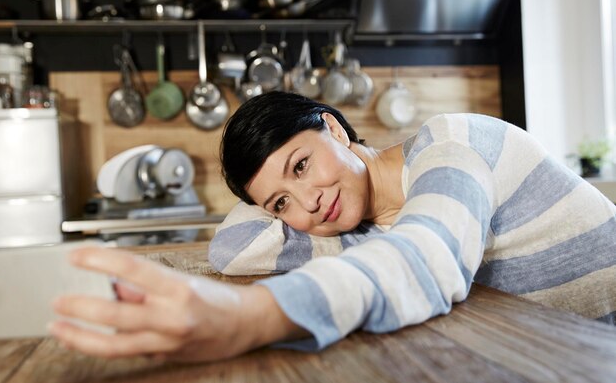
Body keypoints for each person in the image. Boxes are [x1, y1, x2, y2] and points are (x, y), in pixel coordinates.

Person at [50, 91, 616, 362]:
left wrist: (251, 317)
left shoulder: (452, 147)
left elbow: (431, 258)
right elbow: (233, 245)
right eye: (280, 204)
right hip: (550, 355)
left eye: (302, 164)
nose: (308, 203)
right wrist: (275, 194)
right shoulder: (362, 227)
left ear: (336, 130)